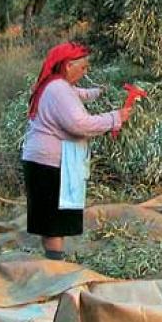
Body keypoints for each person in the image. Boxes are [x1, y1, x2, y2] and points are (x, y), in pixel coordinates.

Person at [21, 42, 131, 260]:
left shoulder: (55, 84)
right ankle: (55, 264)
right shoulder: (58, 89)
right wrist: (115, 117)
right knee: (54, 221)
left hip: (43, 160)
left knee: (50, 219)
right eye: (83, 67)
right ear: (68, 65)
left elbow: (80, 94)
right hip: (50, 163)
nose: (85, 72)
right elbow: (79, 124)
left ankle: (52, 259)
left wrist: (103, 92)